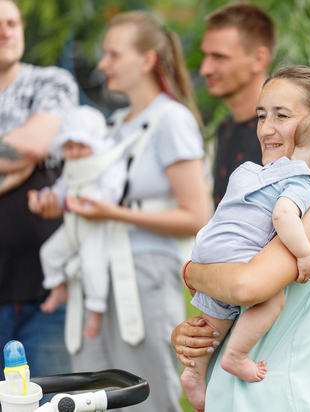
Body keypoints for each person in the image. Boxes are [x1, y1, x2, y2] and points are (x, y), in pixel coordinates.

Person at [172, 65, 310, 412]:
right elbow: (229, 294)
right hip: (239, 394)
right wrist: (192, 336)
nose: (266, 129)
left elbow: (246, 286)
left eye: (282, 115)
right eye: (262, 116)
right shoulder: (270, 200)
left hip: (283, 397)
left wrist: (190, 272)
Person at [57, 11, 211, 412]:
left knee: (145, 399)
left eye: (112, 53)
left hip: (144, 273)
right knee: (90, 396)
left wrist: (112, 214)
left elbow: (197, 214)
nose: (102, 63)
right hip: (96, 276)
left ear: (146, 61)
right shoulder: (115, 124)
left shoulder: (172, 120)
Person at [0, 0, 79, 379]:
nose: (6, 32)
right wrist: (16, 161)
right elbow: (26, 149)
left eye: (12, 22)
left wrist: (28, 152)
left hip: (47, 293)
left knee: (48, 401)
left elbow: (33, 144)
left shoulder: (51, 82)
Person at [28, 105, 126, 339]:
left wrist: (92, 202)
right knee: (49, 253)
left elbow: (113, 191)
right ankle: (57, 288)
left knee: (93, 267)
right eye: (69, 147)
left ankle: (95, 311)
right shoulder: (71, 166)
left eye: (81, 145)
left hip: (94, 225)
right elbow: (62, 189)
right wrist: (46, 196)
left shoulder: (108, 161)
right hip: (72, 224)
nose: (74, 152)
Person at [199, 2, 277, 207]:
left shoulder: (287, 130)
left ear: (258, 59)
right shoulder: (225, 128)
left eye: (219, 57)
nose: (205, 69)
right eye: (205, 56)